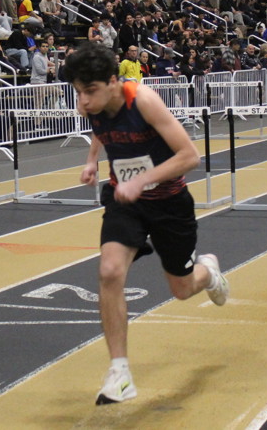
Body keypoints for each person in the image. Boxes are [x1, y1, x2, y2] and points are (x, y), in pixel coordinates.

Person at [64, 42, 229, 405]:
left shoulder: (144, 101)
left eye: (90, 91)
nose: (83, 102)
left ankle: (208, 272)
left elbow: (189, 156)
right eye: (78, 92)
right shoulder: (92, 104)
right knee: (109, 271)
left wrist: (142, 180)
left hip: (169, 204)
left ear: (113, 82)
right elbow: (100, 127)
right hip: (125, 202)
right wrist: (92, 160)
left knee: (182, 289)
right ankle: (119, 372)